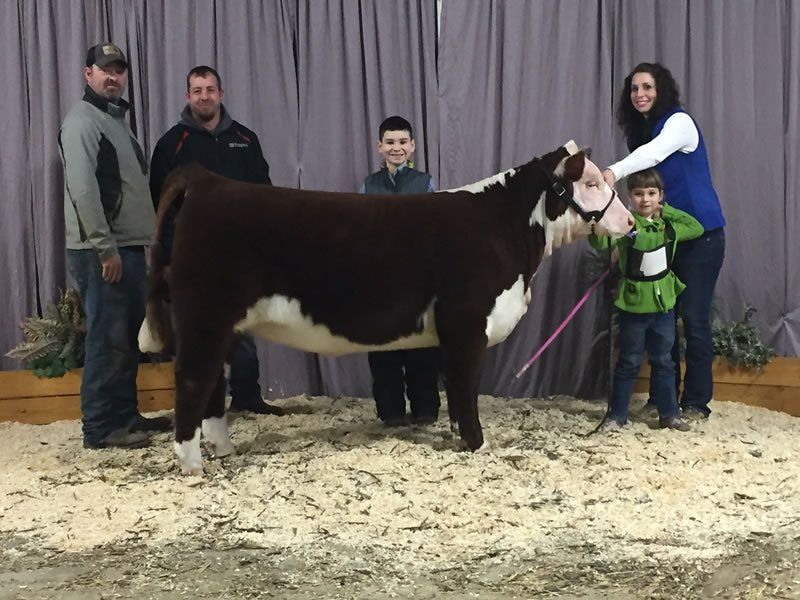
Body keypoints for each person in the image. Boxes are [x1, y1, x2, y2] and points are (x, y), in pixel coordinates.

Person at [149, 65, 281, 416]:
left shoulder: (246, 139)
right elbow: (161, 204)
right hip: (194, 255)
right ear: (187, 96)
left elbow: (264, 195)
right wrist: (173, 254)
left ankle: (248, 397)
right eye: (197, 90)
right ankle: (202, 405)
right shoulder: (171, 144)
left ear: (221, 93)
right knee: (198, 330)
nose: (204, 96)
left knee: (244, 324)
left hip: (241, 254)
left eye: (210, 89)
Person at [60, 43, 171, 449]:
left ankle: (124, 416)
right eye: (105, 69)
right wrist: (104, 248)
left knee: (124, 340)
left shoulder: (113, 121)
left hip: (126, 247)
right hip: (103, 252)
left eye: (119, 70)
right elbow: (83, 190)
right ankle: (99, 428)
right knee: (107, 339)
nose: (113, 76)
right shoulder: (82, 122)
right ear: (87, 73)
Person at [603, 62, 726, 419]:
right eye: (634, 88)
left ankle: (696, 402)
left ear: (661, 91)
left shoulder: (679, 123)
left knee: (694, 320)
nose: (639, 94)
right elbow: (642, 197)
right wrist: (622, 247)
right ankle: (663, 400)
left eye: (647, 87)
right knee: (663, 317)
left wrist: (611, 171)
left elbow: (654, 155)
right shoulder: (639, 134)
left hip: (702, 236)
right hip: (662, 238)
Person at [590, 169, 703, 431]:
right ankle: (617, 415)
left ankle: (669, 414)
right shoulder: (626, 224)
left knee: (664, 361)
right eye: (639, 194)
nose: (645, 199)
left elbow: (696, 228)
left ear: (660, 196)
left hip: (663, 306)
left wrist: (667, 211)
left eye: (652, 193)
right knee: (629, 361)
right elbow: (599, 242)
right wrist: (601, 218)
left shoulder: (669, 225)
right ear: (630, 197)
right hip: (633, 305)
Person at [359, 116, 440, 427]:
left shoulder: (425, 183)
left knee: (422, 345)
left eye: (403, 142)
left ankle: (425, 408)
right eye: (390, 142)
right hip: (379, 280)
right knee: (383, 345)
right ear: (380, 147)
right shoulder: (368, 185)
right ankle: (390, 410)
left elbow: (436, 229)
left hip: (418, 279)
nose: (397, 148)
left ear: (413, 146)